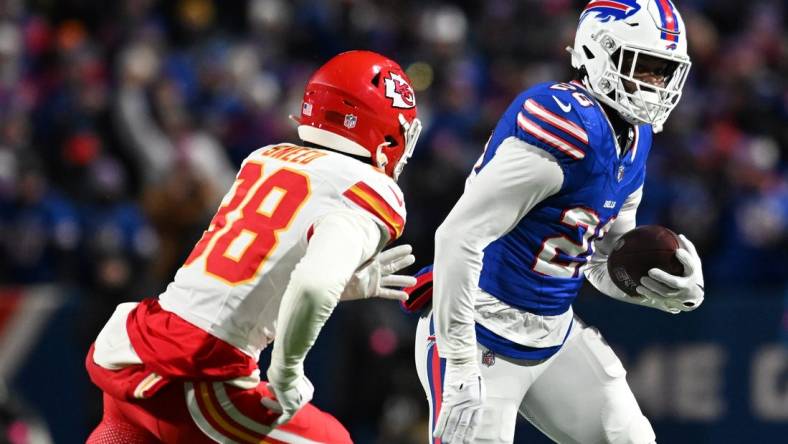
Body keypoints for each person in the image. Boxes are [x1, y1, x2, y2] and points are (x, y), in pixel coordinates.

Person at [85, 50, 422, 444]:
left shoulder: (266, 158)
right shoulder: (370, 188)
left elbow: (246, 276)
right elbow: (313, 286)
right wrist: (287, 371)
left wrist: (339, 287)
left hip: (138, 349)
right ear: (384, 135)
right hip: (200, 373)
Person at [405, 1, 705, 443]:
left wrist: (657, 291)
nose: (655, 85)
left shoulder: (635, 137)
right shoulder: (566, 123)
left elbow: (600, 260)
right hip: (478, 331)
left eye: (664, 72)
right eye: (645, 67)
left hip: (552, 330)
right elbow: (457, 236)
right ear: (598, 52)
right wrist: (461, 365)